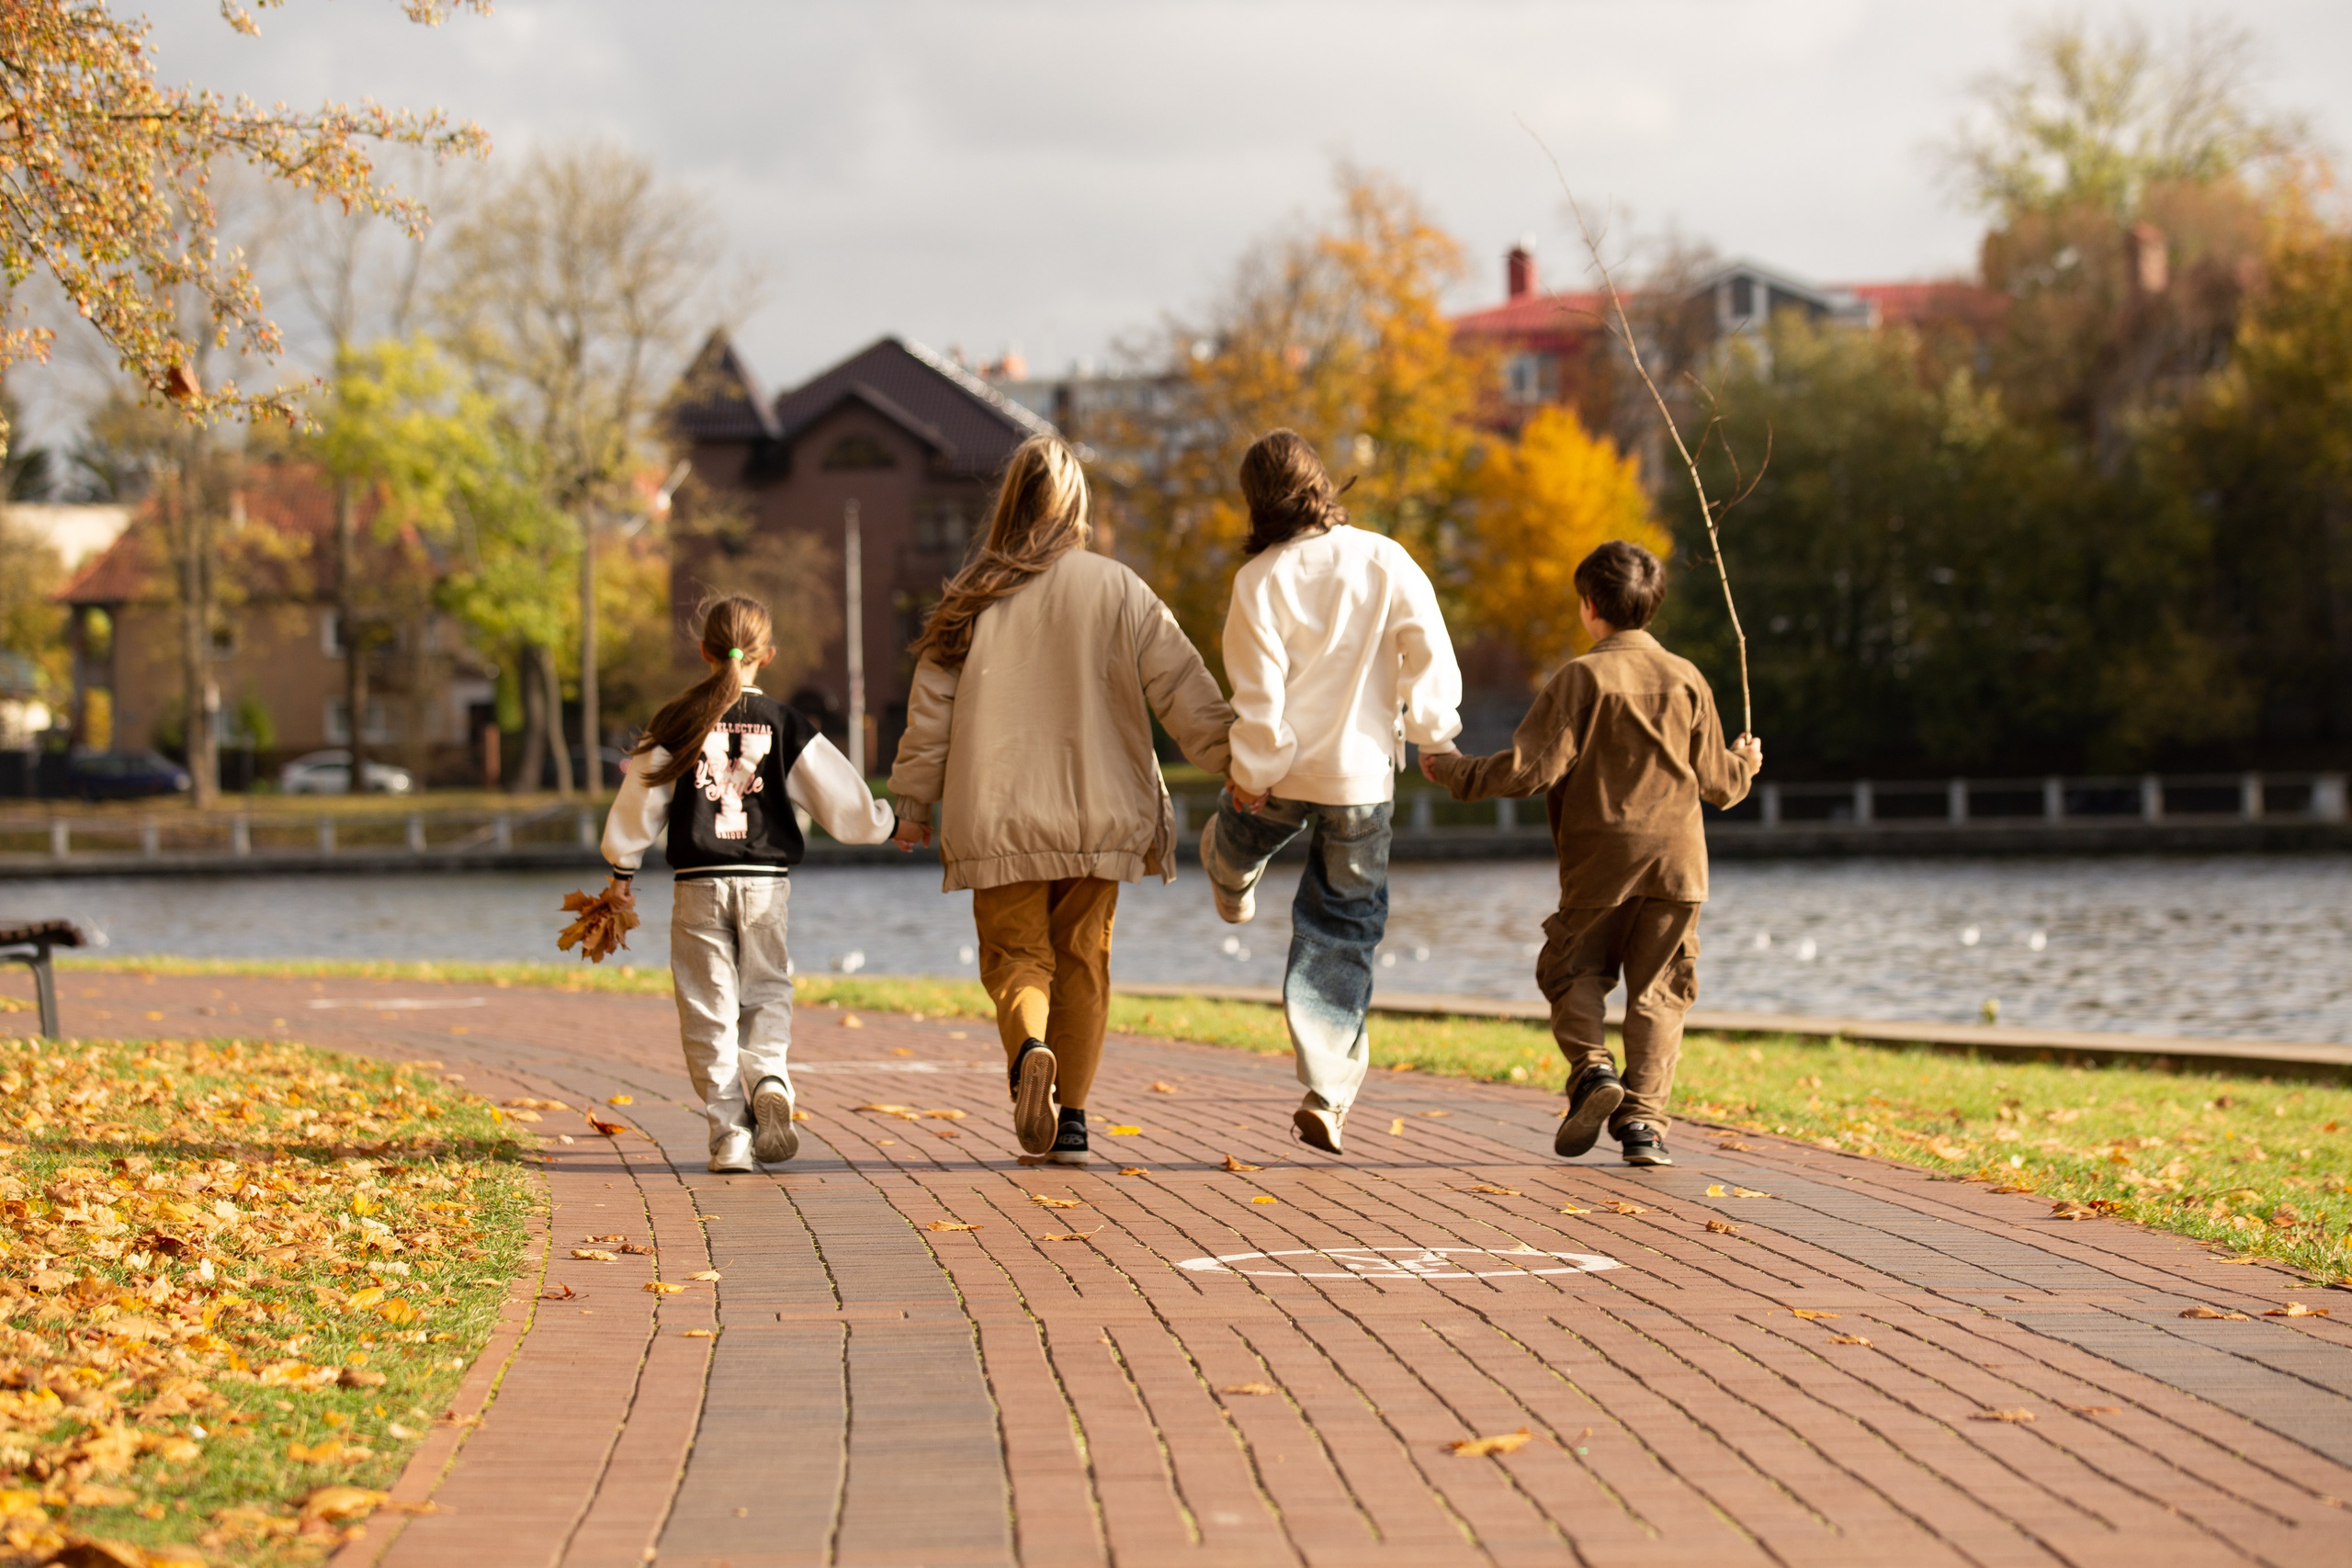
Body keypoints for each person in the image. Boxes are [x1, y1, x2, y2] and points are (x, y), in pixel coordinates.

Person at [889, 434, 1232, 1165]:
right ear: (1077, 506)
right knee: (1083, 957)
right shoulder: (1120, 589)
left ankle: (1029, 1049)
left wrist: (914, 804)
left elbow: (931, 712)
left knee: (1017, 957)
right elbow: (1183, 689)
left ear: (1009, 503)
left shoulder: (971, 597)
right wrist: (1239, 762)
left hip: (999, 814)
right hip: (1099, 811)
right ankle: (1072, 1118)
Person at [1420, 540, 1759, 1168]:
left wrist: (1454, 771)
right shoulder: (1688, 678)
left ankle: (1594, 1069)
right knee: (1659, 991)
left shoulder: (1580, 678)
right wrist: (1747, 761)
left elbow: (1529, 770)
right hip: (1678, 866)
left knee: (1570, 972)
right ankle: (1644, 1128)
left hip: (1600, 861)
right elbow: (1721, 784)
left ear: (1588, 606)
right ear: (1652, 607)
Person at [1197, 430, 1463, 1156]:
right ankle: (1327, 1090)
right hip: (1361, 778)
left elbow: (1258, 699)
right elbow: (1427, 652)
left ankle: (1227, 863)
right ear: (1322, 485)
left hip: (1284, 771)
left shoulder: (1259, 581)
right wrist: (1435, 733)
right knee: (1340, 930)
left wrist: (1251, 775)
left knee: (1243, 829)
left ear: (1256, 501)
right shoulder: (1385, 558)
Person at [600, 594, 899, 1173]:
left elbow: (640, 800)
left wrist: (621, 871)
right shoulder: (787, 725)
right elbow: (841, 800)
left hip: (698, 883)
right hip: (764, 883)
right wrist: (887, 825)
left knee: (707, 1010)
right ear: (769, 655)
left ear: (705, 651)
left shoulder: (677, 721)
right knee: (766, 989)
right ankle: (769, 1076)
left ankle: (730, 1135)